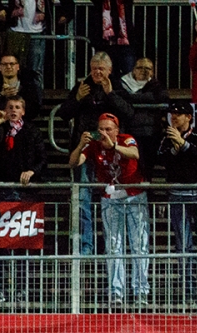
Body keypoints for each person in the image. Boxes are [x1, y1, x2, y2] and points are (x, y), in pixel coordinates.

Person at [69, 112, 149, 307]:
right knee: (114, 245)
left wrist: (114, 146)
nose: (103, 133)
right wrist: (80, 145)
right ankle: (116, 291)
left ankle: (141, 291)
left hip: (134, 195)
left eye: (108, 129)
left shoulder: (126, 139)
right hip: (110, 198)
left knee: (139, 243)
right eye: (101, 129)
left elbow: (134, 154)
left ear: (116, 130)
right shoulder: (94, 144)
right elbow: (73, 163)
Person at [58, 52, 133, 256]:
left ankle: (114, 246)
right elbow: (63, 114)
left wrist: (111, 95)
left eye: (101, 69)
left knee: (112, 197)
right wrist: (77, 98)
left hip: (111, 152)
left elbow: (129, 113)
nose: (97, 72)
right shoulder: (82, 86)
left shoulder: (117, 86)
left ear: (109, 70)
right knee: (82, 198)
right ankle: (86, 245)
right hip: (85, 149)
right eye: (93, 68)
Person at [0, 95, 46, 302]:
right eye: (10, 107)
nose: (13, 110)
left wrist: (32, 171)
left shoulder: (32, 131)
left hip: (24, 194)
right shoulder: (0, 128)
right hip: (1, 191)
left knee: (22, 243)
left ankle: (22, 289)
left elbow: (42, 159)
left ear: (23, 111)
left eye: (17, 107)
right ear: (5, 111)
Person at [157, 101, 197, 302]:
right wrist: (175, 148)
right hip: (177, 196)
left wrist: (183, 145)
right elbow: (162, 161)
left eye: (178, 114)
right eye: (172, 113)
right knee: (183, 245)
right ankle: (188, 289)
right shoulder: (166, 138)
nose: (174, 117)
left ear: (189, 117)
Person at [0, 0, 74, 94]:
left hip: (38, 31)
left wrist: (67, 14)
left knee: (35, 72)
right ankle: (10, 98)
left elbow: (69, 3)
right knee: (10, 68)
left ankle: (35, 100)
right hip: (14, 30)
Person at [117, 57, 168, 180]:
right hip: (130, 131)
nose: (143, 71)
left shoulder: (157, 86)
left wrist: (130, 98)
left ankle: (146, 189)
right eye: (140, 67)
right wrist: (146, 98)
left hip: (151, 133)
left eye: (148, 68)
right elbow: (119, 99)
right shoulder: (122, 84)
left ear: (152, 72)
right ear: (133, 70)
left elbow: (161, 98)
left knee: (148, 167)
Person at [88, 0, 134, 78]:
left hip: (125, 43)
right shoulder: (100, 3)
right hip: (105, 44)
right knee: (108, 73)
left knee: (128, 73)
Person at [0, 54, 42, 121]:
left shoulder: (29, 87)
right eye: (5, 64)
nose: (8, 67)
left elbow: (33, 110)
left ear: (17, 67)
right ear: (0, 67)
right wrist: (2, 96)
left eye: (12, 64)